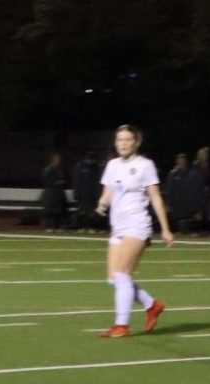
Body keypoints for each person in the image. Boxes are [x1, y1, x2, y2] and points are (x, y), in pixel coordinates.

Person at [94, 124, 175, 338]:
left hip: (137, 225)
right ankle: (152, 305)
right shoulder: (112, 165)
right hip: (118, 227)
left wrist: (165, 228)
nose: (123, 144)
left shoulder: (145, 165)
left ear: (136, 142)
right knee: (114, 279)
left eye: (127, 139)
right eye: (119, 140)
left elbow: (156, 197)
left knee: (122, 275)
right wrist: (102, 204)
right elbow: (108, 192)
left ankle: (121, 325)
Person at [73, 150, 104, 232]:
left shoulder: (80, 166)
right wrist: (98, 194)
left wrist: (76, 194)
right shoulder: (97, 167)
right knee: (90, 211)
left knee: (84, 211)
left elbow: (76, 181)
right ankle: (91, 227)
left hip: (83, 193)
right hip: (91, 193)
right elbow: (99, 182)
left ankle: (83, 227)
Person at [165, 153, 195, 233]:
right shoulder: (173, 173)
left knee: (187, 219)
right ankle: (182, 232)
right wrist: (169, 203)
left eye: (183, 160)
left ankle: (186, 232)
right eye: (179, 160)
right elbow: (169, 189)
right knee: (179, 219)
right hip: (177, 201)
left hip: (188, 201)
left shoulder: (191, 172)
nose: (181, 162)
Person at [41, 152, 68, 232]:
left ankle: (58, 226)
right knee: (50, 210)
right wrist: (56, 183)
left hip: (58, 192)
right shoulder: (48, 169)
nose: (58, 161)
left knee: (59, 210)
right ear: (53, 160)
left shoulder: (60, 169)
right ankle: (49, 226)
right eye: (57, 159)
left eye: (59, 160)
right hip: (50, 192)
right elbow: (45, 181)